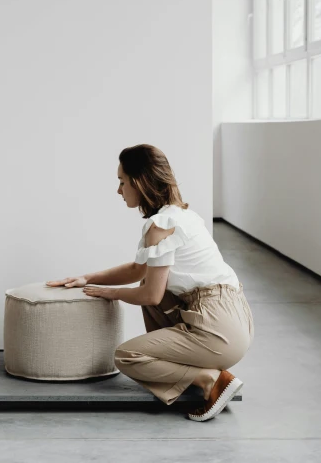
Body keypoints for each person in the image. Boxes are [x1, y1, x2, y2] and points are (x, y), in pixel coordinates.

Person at [47, 144, 254, 422]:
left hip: (216, 327)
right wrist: (87, 277)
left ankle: (209, 380)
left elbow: (151, 295)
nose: (119, 191)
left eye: (122, 182)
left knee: (127, 355)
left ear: (139, 181)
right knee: (152, 277)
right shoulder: (181, 215)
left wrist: (108, 293)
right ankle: (199, 372)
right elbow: (137, 269)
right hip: (234, 317)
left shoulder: (160, 226)